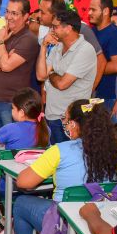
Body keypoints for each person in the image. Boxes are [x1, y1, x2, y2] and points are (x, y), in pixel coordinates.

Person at [11, 99, 117, 234]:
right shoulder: (114, 153)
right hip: (99, 222)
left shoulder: (60, 150)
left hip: (65, 224)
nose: (66, 124)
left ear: (76, 124)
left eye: (67, 120)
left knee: (21, 203)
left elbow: (23, 182)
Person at [0, 88, 49, 234]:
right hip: (36, 183)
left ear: (21, 112)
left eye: (13, 108)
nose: (11, 111)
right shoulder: (46, 130)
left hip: (10, 183)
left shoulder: (11, 128)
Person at [36, 10, 97, 144]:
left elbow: (63, 84)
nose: (51, 30)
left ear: (68, 28)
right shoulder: (58, 47)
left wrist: (51, 74)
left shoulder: (85, 50)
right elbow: (41, 76)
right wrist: (44, 46)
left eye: (55, 27)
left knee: (67, 162)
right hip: (52, 115)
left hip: (71, 120)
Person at [0, 0, 40, 130]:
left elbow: (6, 66)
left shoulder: (28, 39)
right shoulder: (3, 33)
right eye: (7, 11)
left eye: (14, 13)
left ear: (25, 17)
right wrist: (1, 64)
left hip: (14, 105)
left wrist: (1, 42)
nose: (8, 16)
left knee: (12, 147)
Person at [39, 0, 105, 92]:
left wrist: (90, 90)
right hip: (53, 94)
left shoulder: (81, 29)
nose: (39, 15)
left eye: (43, 12)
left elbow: (101, 61)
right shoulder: (46, 29)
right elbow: (46, 64)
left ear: (54, 14)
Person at [88, 0, 117, 111]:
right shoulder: (91, 31)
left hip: (103, 96)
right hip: (89, 92)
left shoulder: (114, 33)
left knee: (97, 128)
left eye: (93, 10)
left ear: (105, 11)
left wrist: (89, 69)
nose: (89, 13)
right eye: (89, 9)